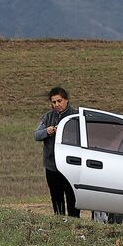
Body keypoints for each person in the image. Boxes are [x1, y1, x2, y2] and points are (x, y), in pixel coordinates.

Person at [34, 86, 80, 217]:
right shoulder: (47, 117)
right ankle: (59, 222)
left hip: (71, 165)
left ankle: (74, 222)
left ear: (66, 100)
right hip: (52, 165)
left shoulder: (75, 116)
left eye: (59, 101)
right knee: (56, 196)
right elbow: (37, 135)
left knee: (72, 196)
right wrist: (48, 131)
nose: (57, 105)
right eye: (54, 102)